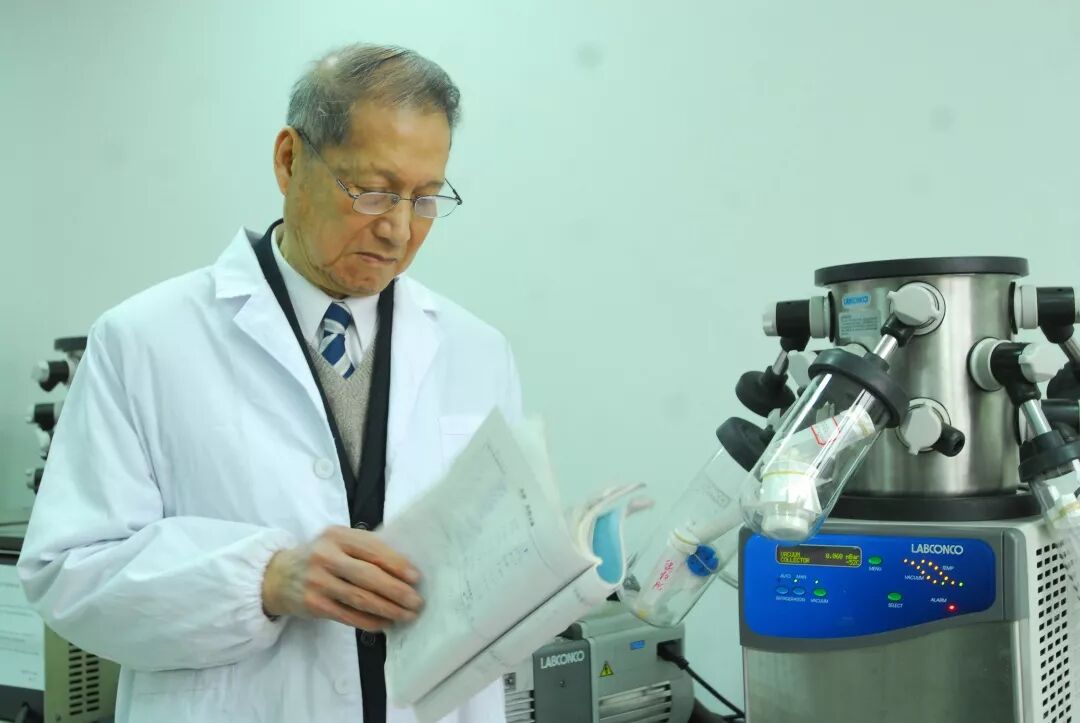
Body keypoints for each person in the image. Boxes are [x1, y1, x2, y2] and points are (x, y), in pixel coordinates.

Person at [17, 43, 521, 723]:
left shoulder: (476, 351)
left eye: (425, 198)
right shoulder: (144, 341)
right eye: (373, 191)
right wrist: (265, 579)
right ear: (289, 160)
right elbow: (67, 575)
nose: (398, 229)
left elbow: (499, 559)